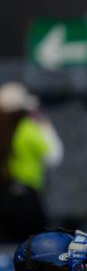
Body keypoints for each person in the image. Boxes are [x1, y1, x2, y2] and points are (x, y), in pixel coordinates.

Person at [0, 83, 62, 243]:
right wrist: (44, 124)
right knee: (33, 248)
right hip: (26, 198)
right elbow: (54, 155)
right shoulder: (27, 128)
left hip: (3, 196)